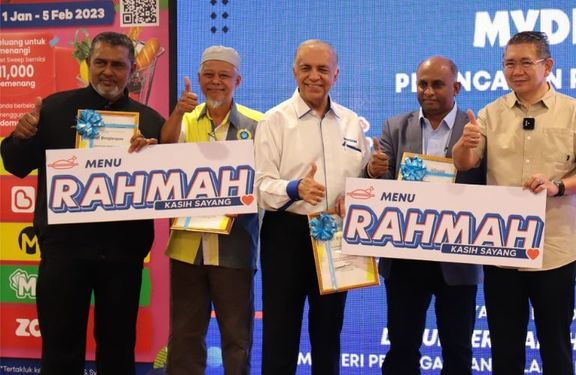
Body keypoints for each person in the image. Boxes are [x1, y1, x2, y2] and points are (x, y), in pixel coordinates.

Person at [0, 32, 164, 374]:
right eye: (100, 62)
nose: (108, 72)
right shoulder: (54, 108)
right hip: (64, 253)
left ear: (132, 69)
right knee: (61, 349)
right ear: (88, 64)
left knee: (118, 349)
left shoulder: (150, 122)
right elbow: (16, 166)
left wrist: (153, 157)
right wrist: (20, 136)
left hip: (123, 255)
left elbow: (163, 187)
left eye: (117, 64)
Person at [452, 31, 576, 374]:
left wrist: (558, 186)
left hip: (555, 251)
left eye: (525, 63)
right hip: (502, 251)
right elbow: (465, 163)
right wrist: (465, 143)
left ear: (547, 66)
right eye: (509, 63)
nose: (516, 71)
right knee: (504, 350)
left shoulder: (574, 112)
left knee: (556, 347)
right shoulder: (491, 113)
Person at [254, 39, 370, 375]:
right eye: (306, 68)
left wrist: (357, 196)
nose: (314, 76)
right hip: (286, 234)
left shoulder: (350, 122)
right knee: (280, 332)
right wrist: (295, 187)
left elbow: (362, 178)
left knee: (329, 333)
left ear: (336, 74)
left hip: (336, 235)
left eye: (322, 69)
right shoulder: (274, 121)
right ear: (294, 72)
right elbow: (260, 187)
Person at [366, 56, 485, 375]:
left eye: (437, 84)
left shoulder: (475, 128)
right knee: (402, 348)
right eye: (422, 84)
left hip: (458, 257)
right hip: (404, 258)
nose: (428, 91)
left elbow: (489, 185)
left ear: (456, 87)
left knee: (458, 351)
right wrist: (373, 170)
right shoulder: (395, 126)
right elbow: (382, 186)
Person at [160, 46, 261, 375]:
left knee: (237, 338)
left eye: (224, 76)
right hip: (188, 248)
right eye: (209, 75)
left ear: (238, 80)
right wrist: (176, 112)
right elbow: (163, 154)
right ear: (200, 78)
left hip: (234, 249)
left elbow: (266, 180)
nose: (215, 82)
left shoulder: (259, 124)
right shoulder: (185, 119)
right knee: (185, 336)